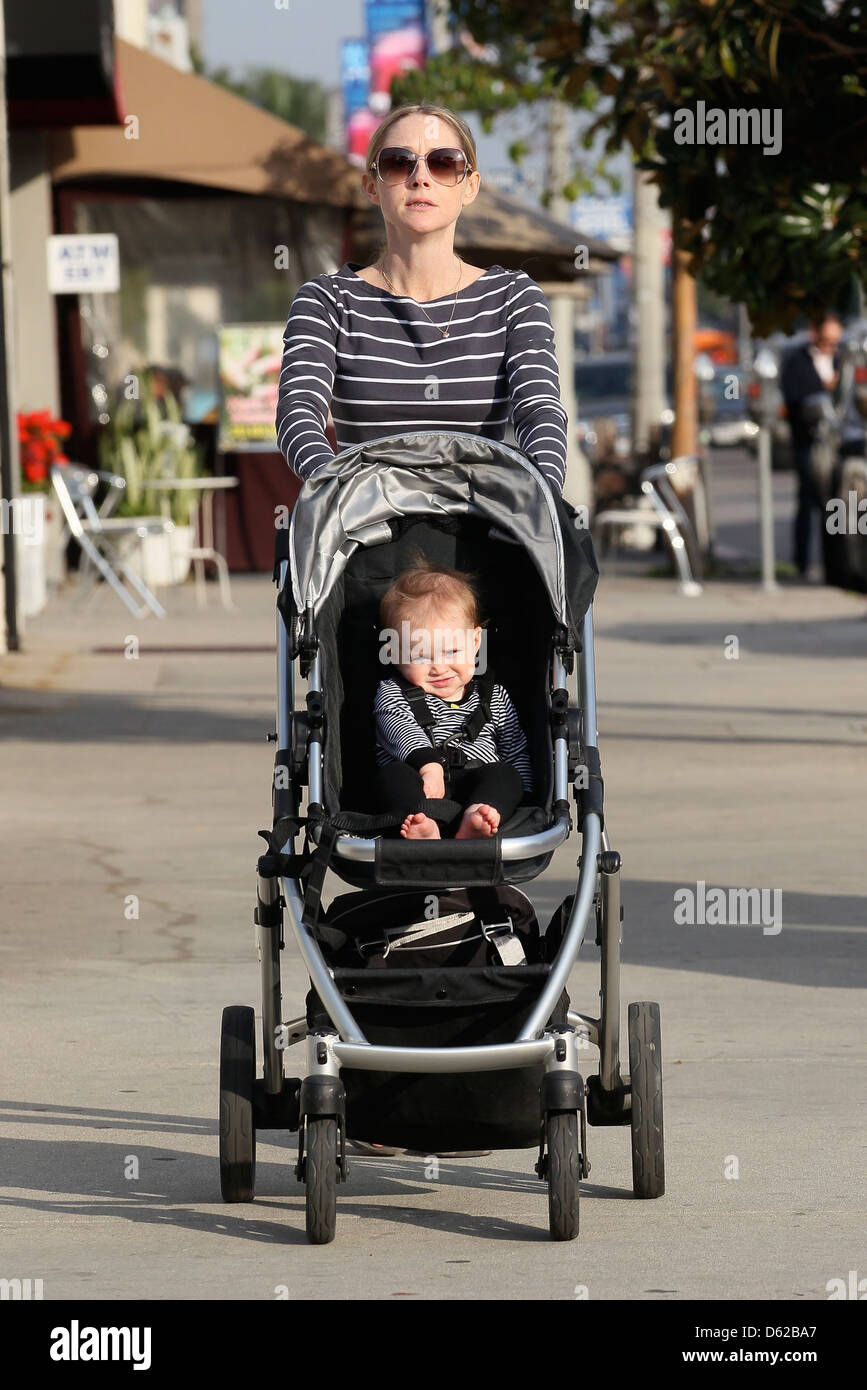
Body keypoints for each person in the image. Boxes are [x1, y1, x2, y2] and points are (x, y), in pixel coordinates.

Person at [275, 101, 569, 495]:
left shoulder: (513, 299)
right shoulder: (327, 302)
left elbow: (541, 415)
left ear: (470, 186)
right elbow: (298, 415)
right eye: (399, 163)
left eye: (444, 163)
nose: (420, 178)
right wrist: (334, 491)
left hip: (485, 533)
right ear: (371, 186)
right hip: (361, 533)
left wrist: (541, 496)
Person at [374, 559, 532, 840]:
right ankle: (425, 826)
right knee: (392, 776)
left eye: (451, 652)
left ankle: (476, 817)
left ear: (474, 643)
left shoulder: (492, 696)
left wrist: (524, 794)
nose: (438, 667)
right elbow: (401, 730)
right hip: (420, 789)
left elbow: (514, 748)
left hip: (477, 786)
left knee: (507, 774)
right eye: (421, 655)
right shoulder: (392, 692)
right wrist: (429, 766)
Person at [780, 310, 843, 577]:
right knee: (808, 501)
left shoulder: (843, 361)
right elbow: (792, 400)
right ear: (815, 335)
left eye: (835, 342)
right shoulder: (797, 362)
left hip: (839, 443)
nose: (831, 347)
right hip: (808, 441)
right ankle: (801, 563)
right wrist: (824, 391)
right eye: (827, 341)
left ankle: (839, 564)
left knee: (840, 504)